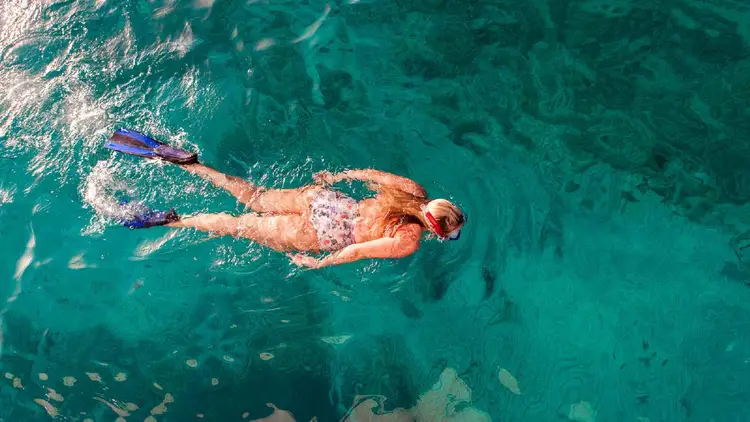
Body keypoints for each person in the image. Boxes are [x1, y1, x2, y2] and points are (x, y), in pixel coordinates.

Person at [104, 128, 466, 268]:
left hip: (327, 202)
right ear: (436, 229)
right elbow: (356, 251)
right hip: (325, 236)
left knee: (254, 196)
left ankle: (190, 164)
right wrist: (319, 264)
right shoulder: (408, 240)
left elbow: (368, 174)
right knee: (239, 226)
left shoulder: (413, 190)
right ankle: (173, 220)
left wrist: (337, 177)